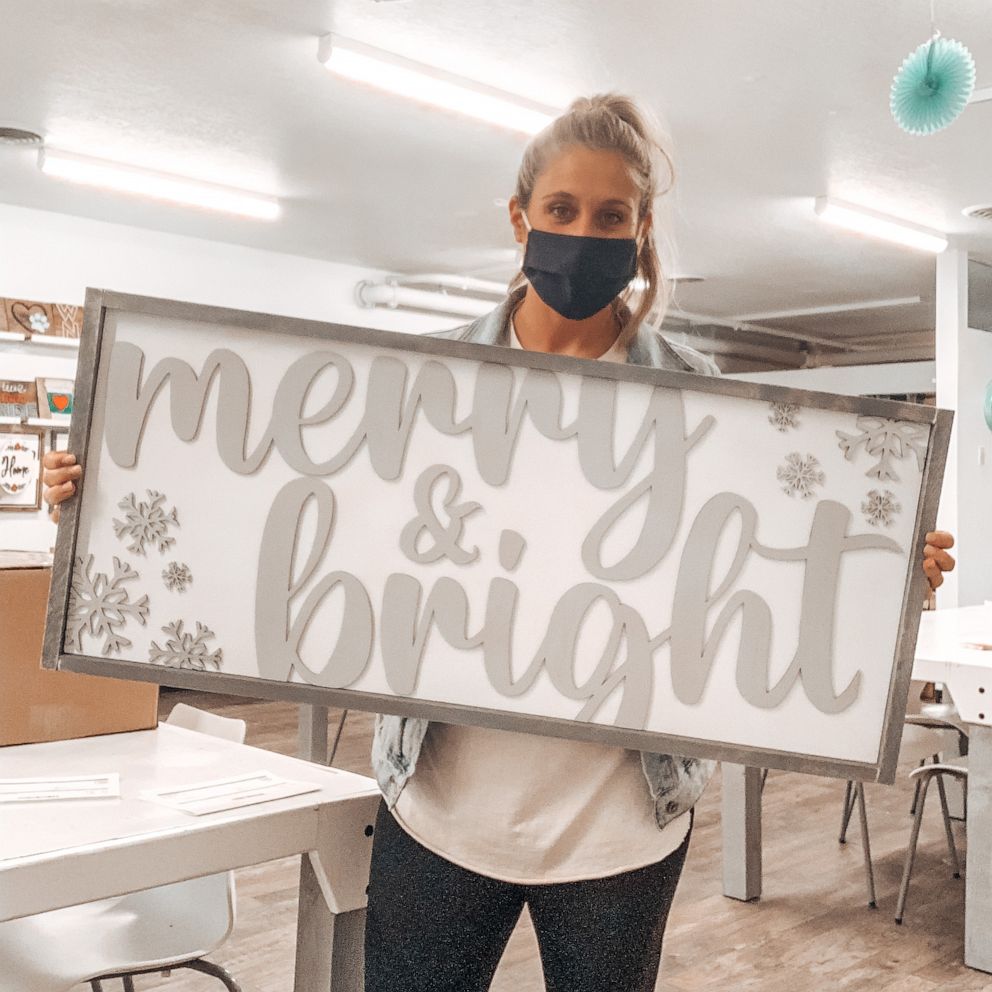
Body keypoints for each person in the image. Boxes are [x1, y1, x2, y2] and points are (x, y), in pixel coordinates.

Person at [43, 93, 957, 992]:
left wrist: (887, 573)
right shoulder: (417, 388)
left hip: (623, 832)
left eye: (612, 217)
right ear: (519, 217)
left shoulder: (712, 409)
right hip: (438, 816)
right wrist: (107, 503)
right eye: (561, 210)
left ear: (640, 237)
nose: (583, 233)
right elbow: (288, 523)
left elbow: (778, 571)